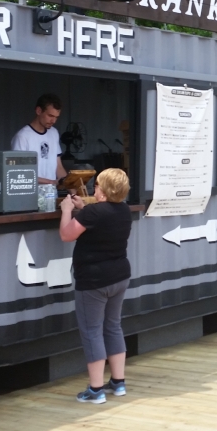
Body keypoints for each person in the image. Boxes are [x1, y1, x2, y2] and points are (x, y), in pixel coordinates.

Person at [59, 168, 134, 404]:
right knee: (113, 326)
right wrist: (83, 208)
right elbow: (101, 219)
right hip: (119, 275)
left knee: (92, 331)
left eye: (97, 185)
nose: (94, 188)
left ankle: (95, 389)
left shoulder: (93, 212)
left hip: (93, 280)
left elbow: (66, 235)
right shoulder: (124, 210)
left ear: (103, 190)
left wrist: (67, 210)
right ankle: (118, 382)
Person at [12, 93, 69, 186]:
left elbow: (58, 167)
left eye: (56, 117)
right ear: (38, 111)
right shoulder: (22, 136)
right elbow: (18, 172)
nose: (53, 121)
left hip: (51, 193)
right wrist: (50, 182)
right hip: (30, 193)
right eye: (50, 116)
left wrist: (74, 191)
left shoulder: (54, 133)